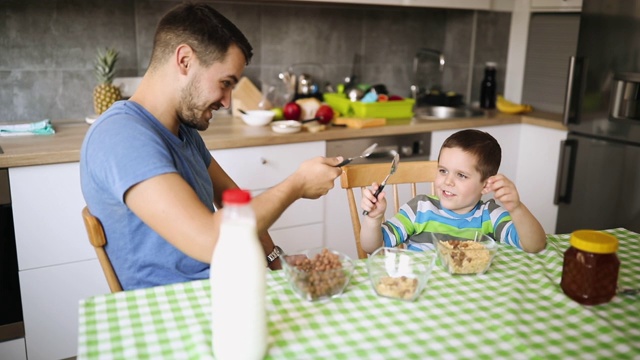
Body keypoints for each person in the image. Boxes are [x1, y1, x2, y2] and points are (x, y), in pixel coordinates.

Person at [80, 2, 343, 290]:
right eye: (225, 82)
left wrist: (274, 260)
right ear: (184, 61)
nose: (228, 101)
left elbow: (233, 199)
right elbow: (210, 240)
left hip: (222, 287)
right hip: (177, 311)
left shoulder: (182, 131)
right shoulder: (122, 136)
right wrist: (297, 184)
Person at [359, 129, 547, 254]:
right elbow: (373, 247)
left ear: (485, 185)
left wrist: (516, 208)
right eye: (443, 171)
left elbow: (535, 246)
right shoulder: (420, 209)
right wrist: (373, 219)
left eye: (461, 175)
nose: (448, 181)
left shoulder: (489, 215)